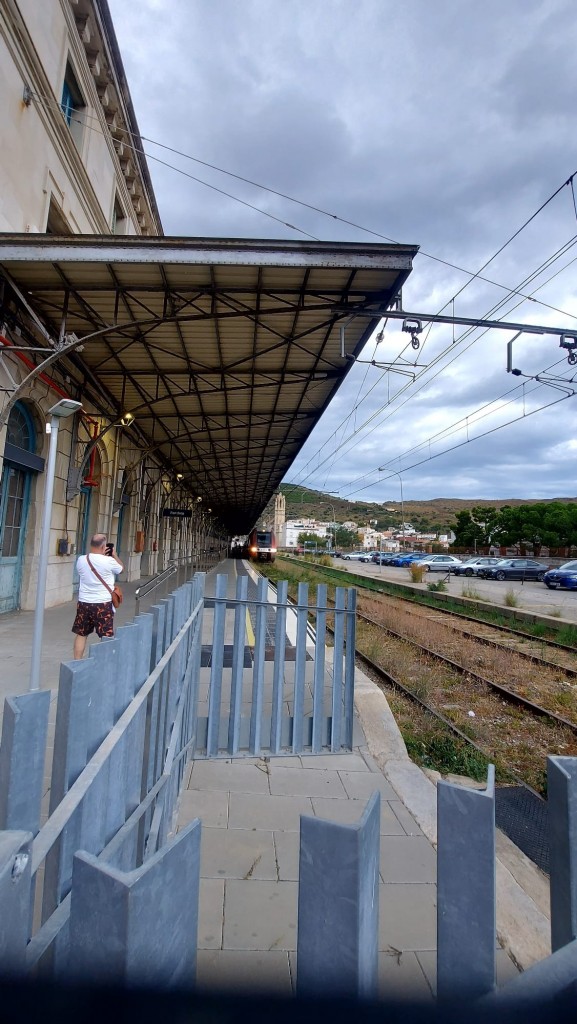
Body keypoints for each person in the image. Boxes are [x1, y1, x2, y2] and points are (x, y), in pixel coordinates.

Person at [72, 533, 124, 659]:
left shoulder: (81, 560)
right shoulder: (109, 561)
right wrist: (114, 555)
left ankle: (77, 662)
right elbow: (121, 569)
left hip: (84, 603)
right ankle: (105, 662)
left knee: (81, 634)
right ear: (104, 547)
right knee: (106, 636)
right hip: (102, 604)